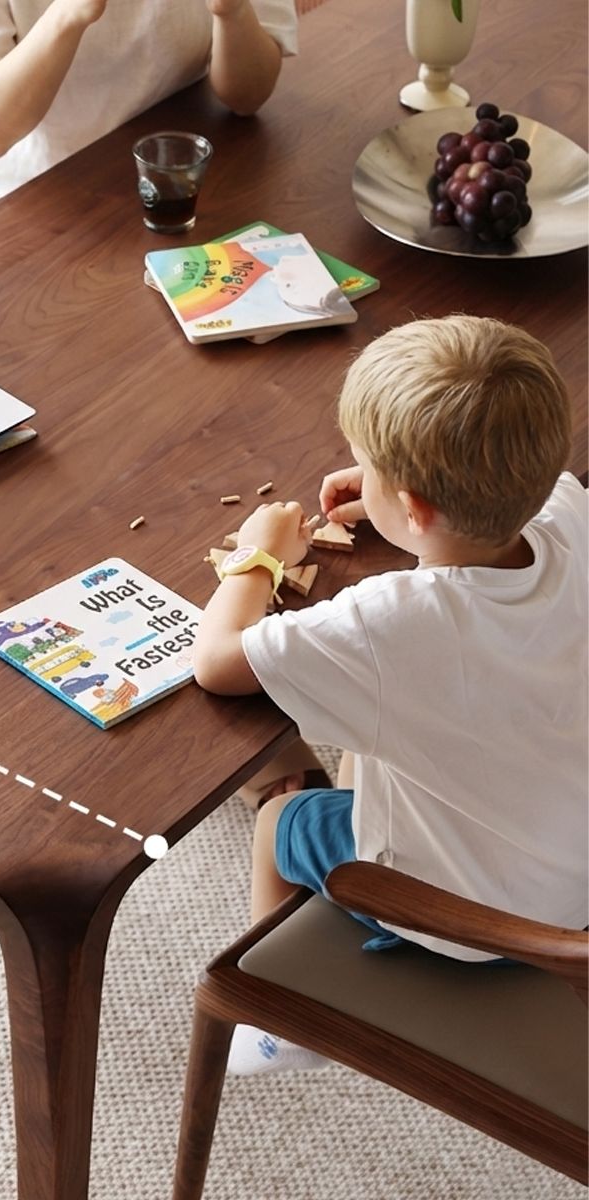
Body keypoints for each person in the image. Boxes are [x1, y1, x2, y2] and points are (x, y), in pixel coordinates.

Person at [192, 315, 588, 1075]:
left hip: (476, 925)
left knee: (282, 817)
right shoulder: (570, 513)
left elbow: (217, 662)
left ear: (414, 507)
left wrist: (257, 559)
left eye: (369, 465)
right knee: (362, 761)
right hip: (576, 875)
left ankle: (281, 1017)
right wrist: (397, 496)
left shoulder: (388, 627)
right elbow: (519, 493)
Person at [0, 0, 298, 237]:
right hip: (13, 209)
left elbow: (248, 96)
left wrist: (231, 11)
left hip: (170, 189)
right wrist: (69, 14)